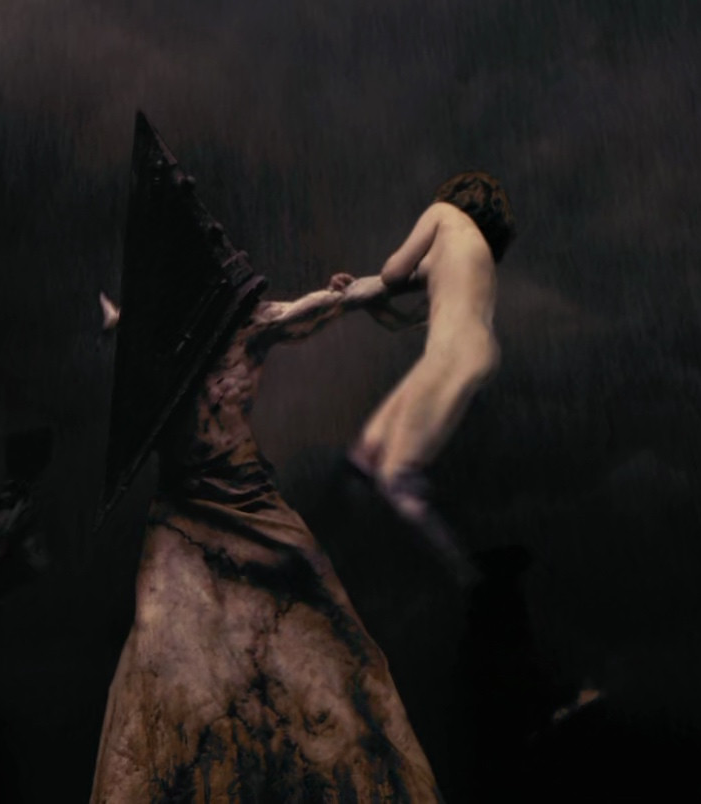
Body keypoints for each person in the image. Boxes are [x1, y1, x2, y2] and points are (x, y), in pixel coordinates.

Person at [90, 277, 441, 803]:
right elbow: (126, 324)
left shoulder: (246, 324)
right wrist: (119, 319)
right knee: (165, 652)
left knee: (323, 632)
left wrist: (386, 287)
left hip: (249, 499)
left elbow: (323, 307)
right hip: (184, 509)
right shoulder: (161, 334)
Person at [334, 171, 516, 588]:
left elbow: (392, 275)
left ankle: (474, 582)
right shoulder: (471, 258)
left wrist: (375, 284)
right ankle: (341, 559)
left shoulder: (444, 214)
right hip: (465, 351)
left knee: (396, 479)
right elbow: (396, 316)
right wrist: (352, 293)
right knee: (366, 454)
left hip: (454, 352)